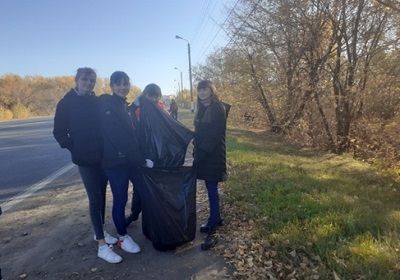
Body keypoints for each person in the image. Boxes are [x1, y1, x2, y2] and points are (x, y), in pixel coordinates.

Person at [53, 67, 122, 264]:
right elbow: (59, 132)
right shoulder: (66, 103)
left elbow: (114, 108)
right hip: (85, 160)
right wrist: (75, 149)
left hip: (102, 158)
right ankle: (102, 246)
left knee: (101, 196)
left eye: (92, 80)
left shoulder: (97, 101)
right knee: (94, 198)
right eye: (85, 79)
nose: (89, 83)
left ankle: (98, 231)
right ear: (77, 80)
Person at [99, 71, 154, 254]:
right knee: (120, 199)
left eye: (126, 83)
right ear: (112, 86)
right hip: (115, 164)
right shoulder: (107, 106)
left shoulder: (124, 106)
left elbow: (133, 132)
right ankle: (122, 237)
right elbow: (120, 138)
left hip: (131, 161)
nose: (123, 87)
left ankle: (149, 228)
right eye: (118, 84)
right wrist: (141, 160)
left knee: (144, 191)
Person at [192, 80, 228, 250]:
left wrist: (201, 155)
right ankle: (216, 219)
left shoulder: (217, 108)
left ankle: (213, 228)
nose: (202, 93)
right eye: (199, 90)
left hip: (213, 157)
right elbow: (199, 135)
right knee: (209, 188)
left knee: (212, 190)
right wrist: (195, 151)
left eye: (205, 89)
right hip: (205, 156)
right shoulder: (202, 109)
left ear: (211, 90)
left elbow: (214, 136)